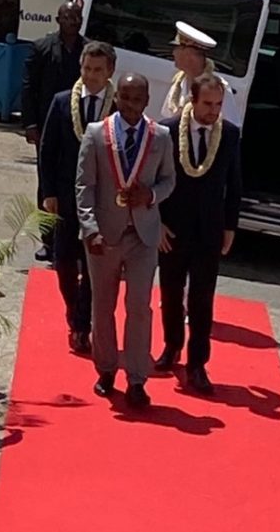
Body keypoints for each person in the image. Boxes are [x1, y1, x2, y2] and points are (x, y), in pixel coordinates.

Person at [76, 73, 175, 407]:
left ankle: (136, 378)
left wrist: (150, 195)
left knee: (139, 307)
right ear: (116, 97)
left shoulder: (160, 136)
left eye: (138, 99)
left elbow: (169, 181)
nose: (132, 106)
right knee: (103, 305)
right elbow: (84, 186)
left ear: (147, 100)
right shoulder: (95, 134)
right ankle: (106, 369)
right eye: (126, 98)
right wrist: (90, 228)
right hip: (105, 234)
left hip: (143, 235)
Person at [156, 73, 242, 394]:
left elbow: (234, 185)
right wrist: (158, 223)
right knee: (170, 292)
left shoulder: (230, 135)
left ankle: (197, 364)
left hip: (209, 229)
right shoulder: (166, 129)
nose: (213, 110)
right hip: (173, 228)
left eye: (218, 104)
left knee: (202, 299)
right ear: (192, 100)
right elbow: (156, 179)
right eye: (207, 104)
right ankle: (171, 345)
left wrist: (230, 226)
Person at [40, 41, 117, 354]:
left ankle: (83, 324)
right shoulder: (62, 102)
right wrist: (49, 193)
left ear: (110, 71)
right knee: (63, 261)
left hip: (101, 200)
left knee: (93, 264)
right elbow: (48, 150)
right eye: (87, 69)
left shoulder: (117, 107)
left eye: (98, 70)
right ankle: (74, 311)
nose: (91, 76)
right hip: (66, 198)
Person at [22, 1, 88, 263]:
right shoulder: (42, 48)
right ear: (58, 19)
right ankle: (48, 241)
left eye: (77, 17)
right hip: (49, 126)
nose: (73, 21)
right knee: (47, 183)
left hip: (81, 128)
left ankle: (75, 241)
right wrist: (30, 124)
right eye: (68, 16)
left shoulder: (88, 50)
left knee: (78, 184)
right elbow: (29, 87)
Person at [160, 21, 241, 127]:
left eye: (176, 48)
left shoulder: (219, 88)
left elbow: (232, 128)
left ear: (189, 54)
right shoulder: (179, 83)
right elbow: (167, 120)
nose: (173, 53)